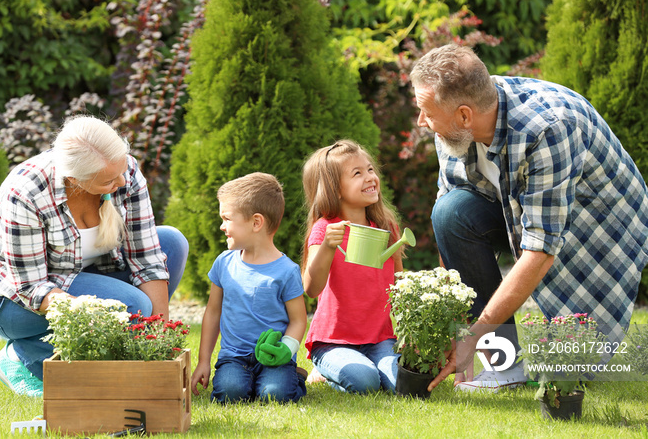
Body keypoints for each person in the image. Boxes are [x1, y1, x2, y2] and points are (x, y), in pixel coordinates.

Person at [409, 44, 648, 393]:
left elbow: (540, 248)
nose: (421, 122)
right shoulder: (454, 130)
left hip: (595, 223)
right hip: (516, 206)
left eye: (426, 113)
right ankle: (504, 367)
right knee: (451, 213)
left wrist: (474, 336)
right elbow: (447, 214)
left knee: (572, 366)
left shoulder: (549, 128)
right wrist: (458, 321)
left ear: (464, 115)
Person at [0, 116, 189, 397]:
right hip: (13, 300)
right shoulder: (26, 192)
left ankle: (99, 357)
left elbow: (147, 259)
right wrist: (105, 316)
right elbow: (32, 289)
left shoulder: (124, 171)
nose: (123, 181)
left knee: (171, 242)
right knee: (132, 305)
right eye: (110, 180)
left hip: (83, 274)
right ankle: (22, 356)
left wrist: (159, 345)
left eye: (122, 171)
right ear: (75, 179)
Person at [190, 172, 307, 403]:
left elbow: (298, 320)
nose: (222, 226)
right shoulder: (224, 263)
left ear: (256, 222)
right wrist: (203, 361)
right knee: (229, 393)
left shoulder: (287, 271)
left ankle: (295, 378)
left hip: (275, 357)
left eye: (227, 218)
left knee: (275, 395)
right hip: (234, 357)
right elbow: (213, 312)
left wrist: (287, 348)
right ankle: (250, 380)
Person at [301, 140, 402, 394]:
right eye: (357, 173)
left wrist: (410, 332)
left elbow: (400, 283)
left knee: (400, 384)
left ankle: (366, 365)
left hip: (380, 338)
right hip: (333, 342)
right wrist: (326, 246)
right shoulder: (325, 229)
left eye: (370, 169)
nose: (370, 177)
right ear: (335, 190)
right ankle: (324, 370)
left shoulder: (386, 227)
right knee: (365, 382)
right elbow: (311, 288)